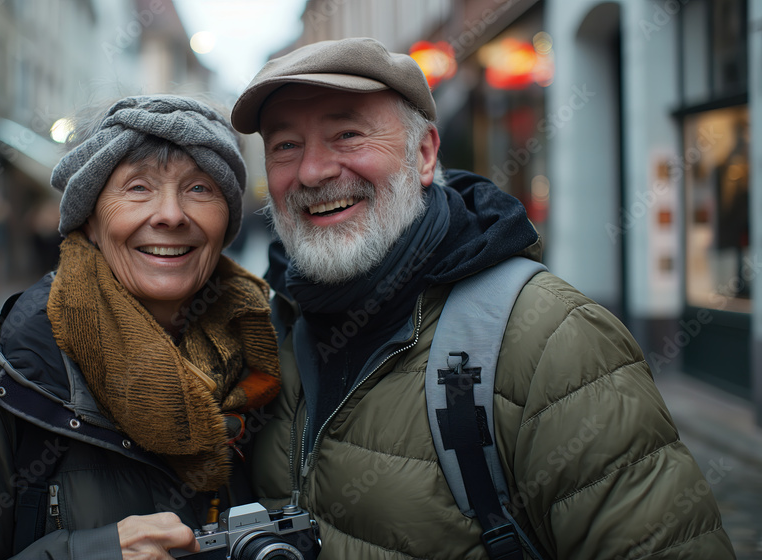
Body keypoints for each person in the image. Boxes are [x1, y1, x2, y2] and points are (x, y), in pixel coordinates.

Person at [229, 37, 736, 559]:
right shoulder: (270, 333)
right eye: (286, 146)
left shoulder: (551, 338)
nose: (312, 172)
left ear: (423, 154)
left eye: (347, 134)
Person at [0, 95, 282, 559]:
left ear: (227, 221)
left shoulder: (278, 363)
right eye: (137, 187)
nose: (171, 214)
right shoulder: (12, 388)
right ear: (91, 221)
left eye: (200, 188)